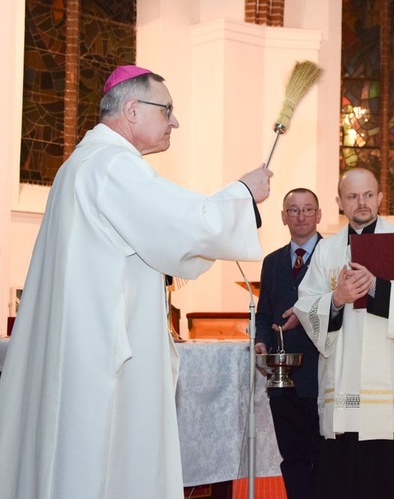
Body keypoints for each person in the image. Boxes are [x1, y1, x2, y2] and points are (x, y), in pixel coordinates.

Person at [0, 65, 273, 499]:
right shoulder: (112, 166)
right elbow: (185, 224)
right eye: (167, 110)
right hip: (104, 358)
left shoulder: (81, 165)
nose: (175, 122)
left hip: (81, 348)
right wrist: (243, 192)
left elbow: (162, 237)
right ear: (131, 109)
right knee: (103, 462)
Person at [293, 167, 394, 499]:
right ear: (339, 202)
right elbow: (306, 305)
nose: (361, 203)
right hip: (346, 384)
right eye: (352, 196)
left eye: (368, 195)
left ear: (380, 197)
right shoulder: (327, 251)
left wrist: (378, 288)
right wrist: (336, 300)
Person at [254, 188, 322, 499]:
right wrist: (261, 343)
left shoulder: (333, 255)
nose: (301, 216)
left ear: (318, 215)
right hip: (282, 377)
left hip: (322, 372)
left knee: (323, 454)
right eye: (293, 210)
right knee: (292, 454)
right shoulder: (271, 262)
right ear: (283, 217)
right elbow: (265, 311)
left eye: (308, 209)